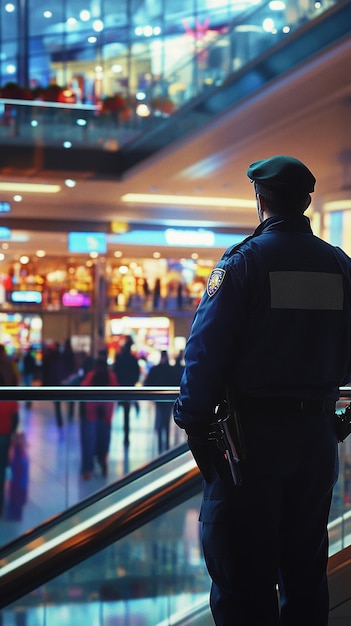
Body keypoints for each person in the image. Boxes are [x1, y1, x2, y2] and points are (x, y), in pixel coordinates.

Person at [173, 155, 351, 626]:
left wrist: (192, 424)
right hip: (316, 441)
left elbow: (204, 352)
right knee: (305, 572)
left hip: (250, 446)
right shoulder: (340, 266)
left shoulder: (244, 263)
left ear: (260, 198)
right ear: (306, 200)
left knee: (243, 579)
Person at [80, 352, 118, 479]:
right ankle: (102, 463)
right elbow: (116, 390)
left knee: (89, 442)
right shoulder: (110, 376)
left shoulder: (91, 375)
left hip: (92, 414)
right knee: (103, 441)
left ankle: (87, 468)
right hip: (105, 415)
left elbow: (83, 387)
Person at [145, 350, 176, 453]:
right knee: (166, 421)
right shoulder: (171, 369)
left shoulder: (156, 369)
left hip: (159, 399)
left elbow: (148, 382)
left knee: (160, 420)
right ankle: (166, 445)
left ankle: (160, 445)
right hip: (168, 399)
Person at [113, 337, 140, 446]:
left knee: (124, 411)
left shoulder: (120, 358)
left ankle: (125, 436)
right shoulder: (133, 359)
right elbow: (136, 374)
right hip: (130, 387)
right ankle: (126, 436)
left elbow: (116, 372)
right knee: (127, 412)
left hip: (122, 387)